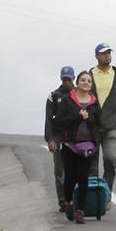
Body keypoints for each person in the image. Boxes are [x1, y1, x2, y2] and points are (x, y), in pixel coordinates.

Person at [52, 70, 101, 224]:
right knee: (70, 178)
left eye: (89, 81)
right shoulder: (67, 100)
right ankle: (68, 203)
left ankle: (80, 211)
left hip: (88, 145)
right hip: (70, 145)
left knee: (83, 178)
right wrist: (78, 117)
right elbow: (59, 121)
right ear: (77, 83)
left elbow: (98, 123)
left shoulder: (94, 102)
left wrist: (90, 118)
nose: (86, 83)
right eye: (83, 80)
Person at [88, 42, 116, 191]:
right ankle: (92, 197)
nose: (107, 56)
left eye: (109, 53)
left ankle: (106, 192)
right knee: (91, 164)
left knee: (111, 159)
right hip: (91, 127)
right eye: (103, 53)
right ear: (96, 56)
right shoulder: (89, 75)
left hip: (111, 126)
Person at [46, 66, 76, 211]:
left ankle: (74, 198)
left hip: (74, 135)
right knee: (59, 169)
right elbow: (48, 119)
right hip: (58, 136)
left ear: (73, 79)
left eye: (69, 79)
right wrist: (50, 139)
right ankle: (63, 201)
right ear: (61, 79)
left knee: (74, 168)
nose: (67, 82)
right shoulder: (54, 96)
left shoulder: (79, 94)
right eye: (64, 79)